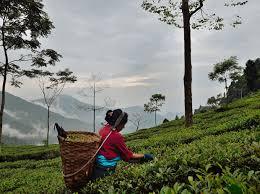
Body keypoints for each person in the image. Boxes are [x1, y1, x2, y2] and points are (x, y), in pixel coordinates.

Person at [91, 109, 154, 180]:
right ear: (118, 123)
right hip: (106, 171)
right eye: (123, 124)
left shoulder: (103, 129)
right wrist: (144, 156)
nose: (123, 127)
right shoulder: (116, 136)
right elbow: (128, 156)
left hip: (96, 168)